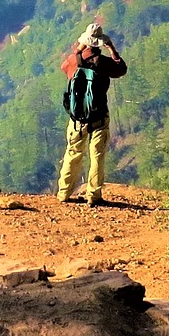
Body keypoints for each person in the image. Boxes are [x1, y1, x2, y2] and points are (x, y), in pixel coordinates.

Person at [56, 20, 127, 206]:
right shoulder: (103, 63)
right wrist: (111, 48)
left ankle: (64, 193)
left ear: (85, 41)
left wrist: (78, 50)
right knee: (97, 156)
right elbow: (121, 69)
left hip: (77, 118)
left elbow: (64, 67)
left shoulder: (73, 61)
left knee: (72, 152)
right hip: (99, 117)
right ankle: (93, 195)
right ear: (100, 43)